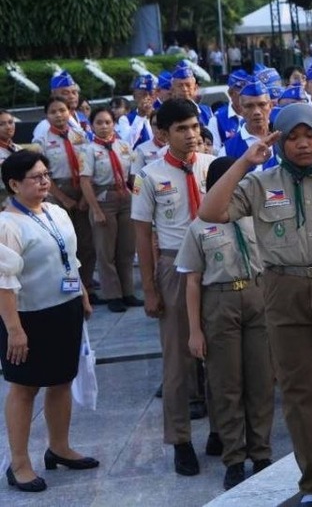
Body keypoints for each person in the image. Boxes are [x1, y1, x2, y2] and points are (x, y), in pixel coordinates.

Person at [198, 104, 312, 507]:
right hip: (283, 290)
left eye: (310, 135)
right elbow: (210, 211)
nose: (302, 144)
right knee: (300, 391)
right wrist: (246, 160)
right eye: (293, 136)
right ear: (278, 140)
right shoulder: (260, 184)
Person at [0, 150, 98, 493]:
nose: (45, 182)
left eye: (46, 175)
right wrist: (14, 330)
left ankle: (59, 447)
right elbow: (4, 283)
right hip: (28, 318)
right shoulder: (7, 225)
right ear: (14, 184)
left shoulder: (56, 212)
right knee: (25, 388)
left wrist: (82, 293)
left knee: (61, 380)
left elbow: (68, 259)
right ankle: (19, 463)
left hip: (64, 308)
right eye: (36, 178)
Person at [177, 157, 274, 491]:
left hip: (257, 295)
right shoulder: (200, 225)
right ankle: (234, 457)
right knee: (226, 383)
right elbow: (192, 281)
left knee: (261, 381)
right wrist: (194, 331)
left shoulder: (257, 217)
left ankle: (261, 451)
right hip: (219, 301)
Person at [131, 98, 216, 477]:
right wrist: (150, 288)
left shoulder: (213, 165)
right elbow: (142, 233)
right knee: (178, 361)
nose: (192, 135)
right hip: (174, 266)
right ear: (163, 134)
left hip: (216, 264)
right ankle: (181, 439)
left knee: (219, 354)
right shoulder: (149, 175)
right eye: (182, 129)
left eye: (195, 127)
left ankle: (222, 430)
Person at [79, 107, 139, 313]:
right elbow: (85, 181)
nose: (104, 126)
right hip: (103, 199)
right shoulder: (88, 150)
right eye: (99, 123)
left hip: (125, 197)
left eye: (107, 122)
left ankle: (128, 292)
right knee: (106, 251)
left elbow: (133, 175)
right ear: (92, 126)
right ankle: (113, 295)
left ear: (114, 124)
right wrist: (95, 209)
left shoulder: (123, 146)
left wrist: (137, 197)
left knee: (127, 248)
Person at [40, 97, 97, 303]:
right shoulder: (43, 141)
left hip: (82, 190)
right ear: (47, 116)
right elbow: (44, 175)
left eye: (62, 110)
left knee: (87, 242)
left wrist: (84, 196)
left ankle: (88, 286)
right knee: (65, 244)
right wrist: (63, 198)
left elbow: (89, 167)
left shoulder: (81, 135)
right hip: (57, 192)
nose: (58, 115)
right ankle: (72, 290)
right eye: (53, 112)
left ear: (69, 112)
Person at [220, 81, 278, 171]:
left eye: (262, 104)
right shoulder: (227, 151)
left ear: (270, 106)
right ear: (241, 109)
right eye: (249, 106)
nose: (257, 112)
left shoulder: (283, 141)